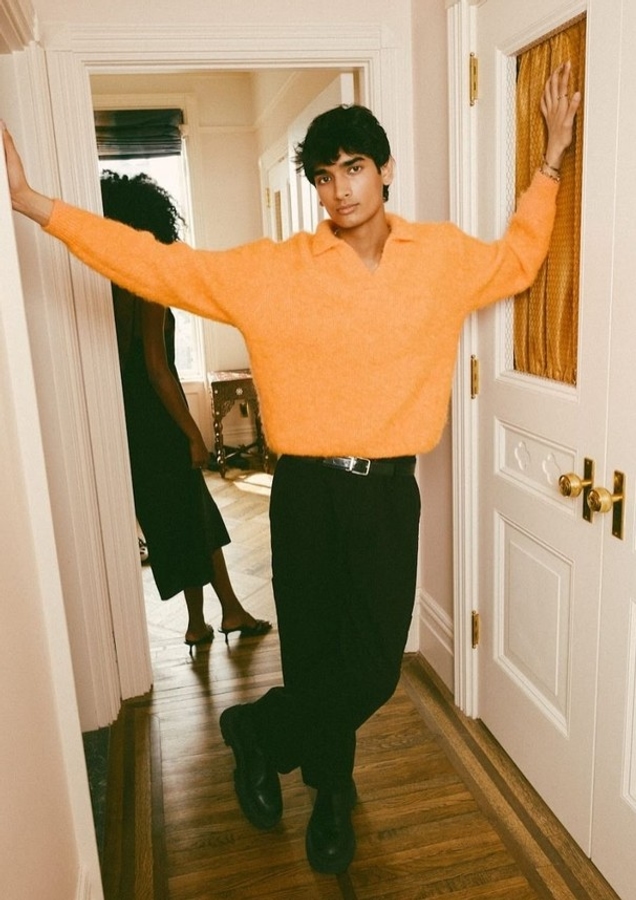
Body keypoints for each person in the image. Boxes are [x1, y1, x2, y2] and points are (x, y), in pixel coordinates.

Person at [2, 61, 580, 874]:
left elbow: (519, 260)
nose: (340, 190)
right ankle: (331, 795)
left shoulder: (441, 258)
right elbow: (158, 265)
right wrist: (35, 204)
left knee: (372, 667)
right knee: (313, 653)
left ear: (384, 170)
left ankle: (259, 731)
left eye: (354, 168)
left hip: (389, 493)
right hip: (305, 494)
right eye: (324, 176)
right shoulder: (273, 272)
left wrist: (551, 159)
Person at [109, 169, 271, 654]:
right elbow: (157, 368)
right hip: (160, 419)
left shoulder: (110, 282)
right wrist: (193, 434)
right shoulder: (147, 283)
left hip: (130, 421)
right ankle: (225, 612)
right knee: (195, 519)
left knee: (174, 525)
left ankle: (203, 620)